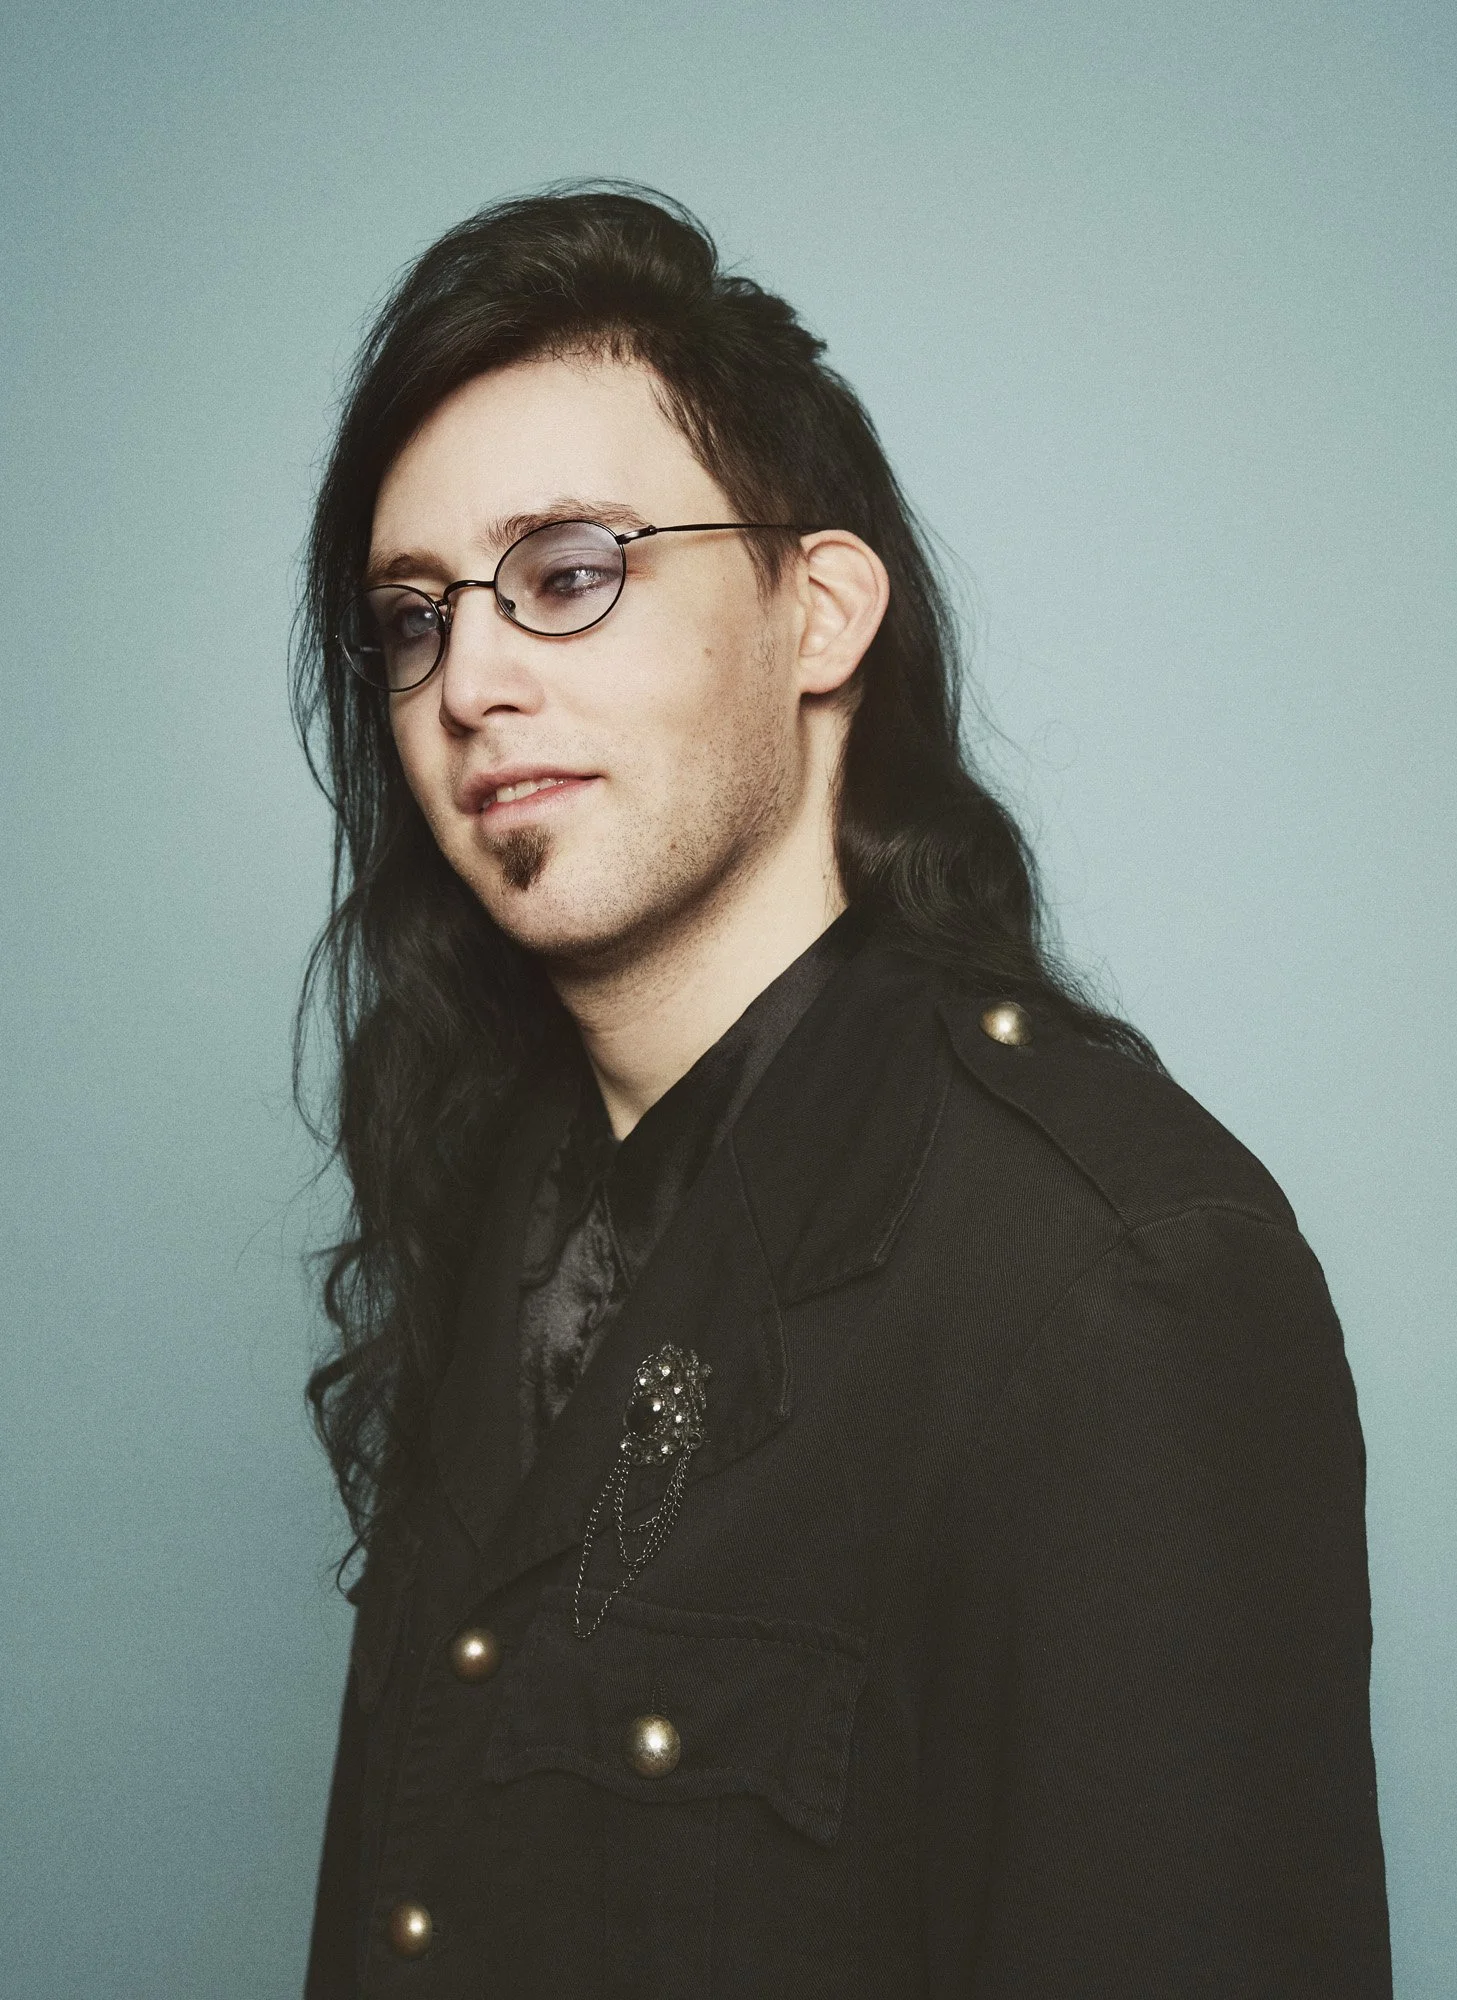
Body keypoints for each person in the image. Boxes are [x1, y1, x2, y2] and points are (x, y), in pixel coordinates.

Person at [296, 185, 1390, 1998]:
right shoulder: (496, 1193)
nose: (469, 681)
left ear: (819, 614)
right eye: (412, 619)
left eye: (568, 574)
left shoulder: (1115, 1277)